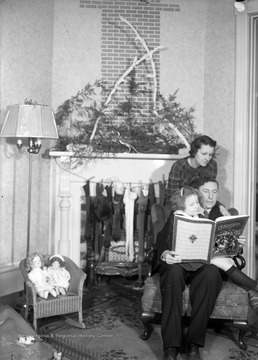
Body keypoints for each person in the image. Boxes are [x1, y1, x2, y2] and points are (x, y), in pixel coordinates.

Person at [154, 186, 223, 360]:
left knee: (212, 274)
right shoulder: (174, 217)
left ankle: (193, 344)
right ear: (181, 208)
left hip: (200, 265)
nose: (197, 206)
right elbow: (161, 240)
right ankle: (171, 346)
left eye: (197, 202)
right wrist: (166, 254)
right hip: (178, 264)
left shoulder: (208, 217)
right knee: (172, 272)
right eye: (192, 204)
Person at [191, 176, 258, 310]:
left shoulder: (221, 214)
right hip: (197, 266)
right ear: (197, 194)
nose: (211, 197)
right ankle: (252, 288)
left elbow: (232, 250)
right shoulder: (190, 211)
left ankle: (252, 290)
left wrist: (238, 244)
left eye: (214, 192)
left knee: (222, 262)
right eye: (206, 191)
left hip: (218, 266)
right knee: (221, 263)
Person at [166, 134, 229, 216]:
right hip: (181, 207)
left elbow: (209, 193)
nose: (207, 158)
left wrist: (220, 206)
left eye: (210, 155)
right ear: (195, 151)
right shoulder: (178, 167)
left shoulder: (212, 166)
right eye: (204, 154)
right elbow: (172, 198)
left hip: (202, 206)